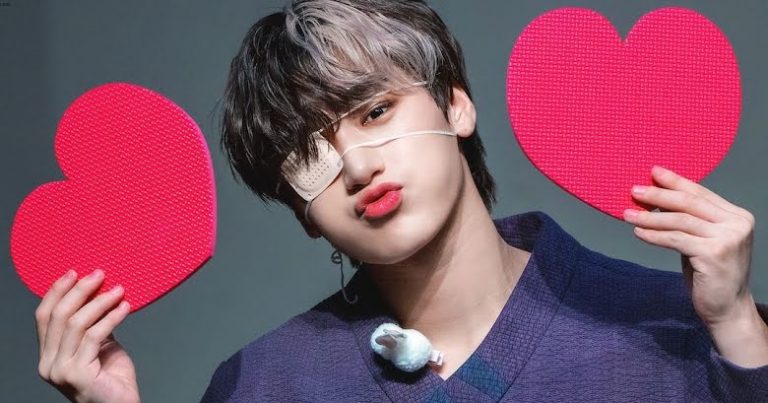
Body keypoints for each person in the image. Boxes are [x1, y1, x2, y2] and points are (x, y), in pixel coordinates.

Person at [34, 0, 768, 402]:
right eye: (309, 155)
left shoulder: (674, 324)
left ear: (456, 106)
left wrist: (738, 328)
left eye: (377, 111)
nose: (357, 166)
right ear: (297, 209)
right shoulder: (263, 384)